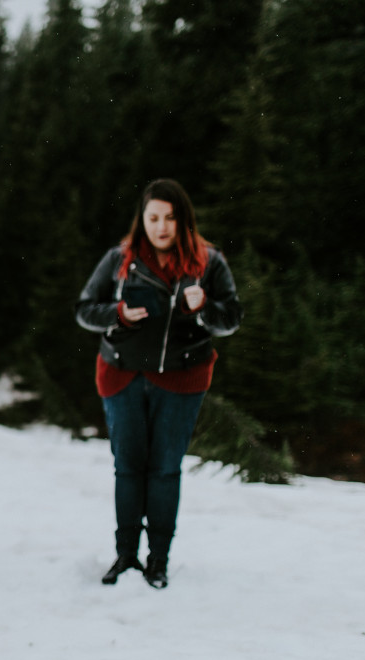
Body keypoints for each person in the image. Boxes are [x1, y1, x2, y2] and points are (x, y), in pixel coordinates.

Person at [75, 178, 243, 588]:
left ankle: (158, 562)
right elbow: (84, 309)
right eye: (153, 218)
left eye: (169, 217)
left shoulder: (209, 262)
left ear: (183, 220)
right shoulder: (120, 259)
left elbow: (232, 318)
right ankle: (125, 557)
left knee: (165, 470)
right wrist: (117, 313)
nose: (161, 227)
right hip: (123, 375)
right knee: (128, 468)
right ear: (143, 220)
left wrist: (204, 308)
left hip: (182, 379)